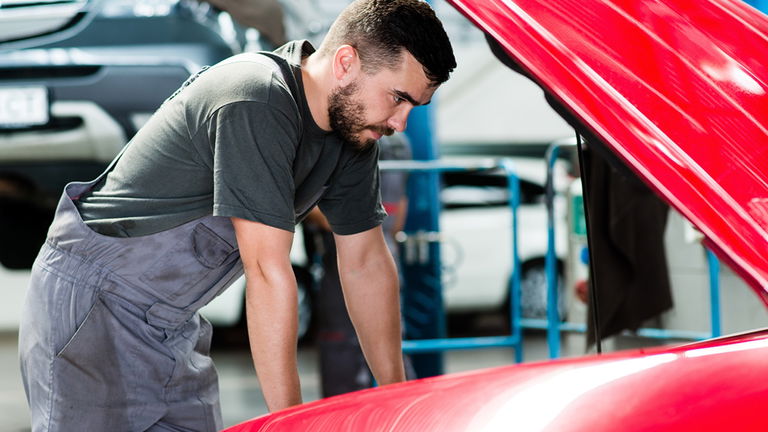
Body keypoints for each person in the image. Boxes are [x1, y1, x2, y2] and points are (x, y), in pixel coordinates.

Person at [18, 0, 456, 430]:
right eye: (398, 98)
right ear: (346, 62)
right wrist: (290, 422)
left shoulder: (354, 132)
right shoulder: (257, 98)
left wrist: (397, 400)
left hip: (171, 323)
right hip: (93, 308)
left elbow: (366, 264)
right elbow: (267, 270)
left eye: (413, 107)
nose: (400, 122)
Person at [306, 132, 413, 397]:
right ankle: (399, 407)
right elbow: (399, 211)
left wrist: (351, 227)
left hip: (343, 256)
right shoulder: (400, 144)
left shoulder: (341, 137)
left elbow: (308, 206)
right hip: (387, 250)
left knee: (342, 344)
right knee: (392, 341)